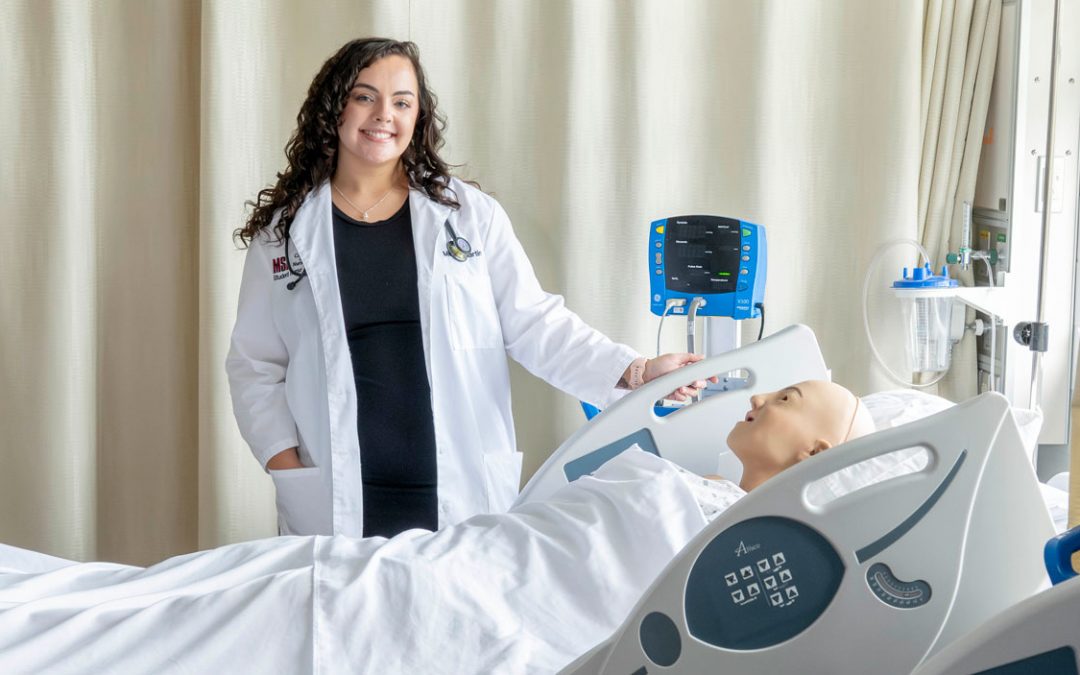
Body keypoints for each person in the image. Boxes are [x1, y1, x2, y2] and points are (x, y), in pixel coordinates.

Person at [0, 381, 876, 673]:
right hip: (394, 574)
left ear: (815, 459)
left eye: (787, 399)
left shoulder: (729, 551)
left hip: (421, 621)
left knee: (139, 634)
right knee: (147, 602)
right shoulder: (687, 490)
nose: (758, 395)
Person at [225, 37, 711, 538]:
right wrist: (286, 466)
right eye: (365, 96)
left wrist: (635, 370)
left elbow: (535, 323)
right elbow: (255, 366)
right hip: (335, 495)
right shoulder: (285, 234)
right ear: (335, 107)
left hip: (458, 490)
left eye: (401, 102)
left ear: (418, 118)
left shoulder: (467, 217)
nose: (383, 115)